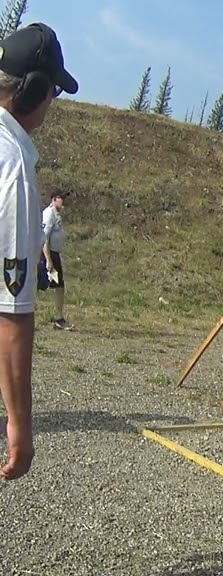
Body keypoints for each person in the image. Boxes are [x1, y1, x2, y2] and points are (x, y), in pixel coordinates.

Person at [0, 23, 77, 481]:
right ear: (34, 90)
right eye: (52, 92)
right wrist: (20, 425)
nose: (52, 103)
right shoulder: (12, 166)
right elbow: (11, 312)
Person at [38, 188, 70, 330]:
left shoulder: (56, 215)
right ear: (54, 199)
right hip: (49, 254)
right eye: (60, 198)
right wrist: (49, 260)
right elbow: (44, 239)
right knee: (51, 284)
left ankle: (59, 317)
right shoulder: (49, 214)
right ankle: (58, 318)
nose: (63, 201)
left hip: (54, 254)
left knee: (57, 285)